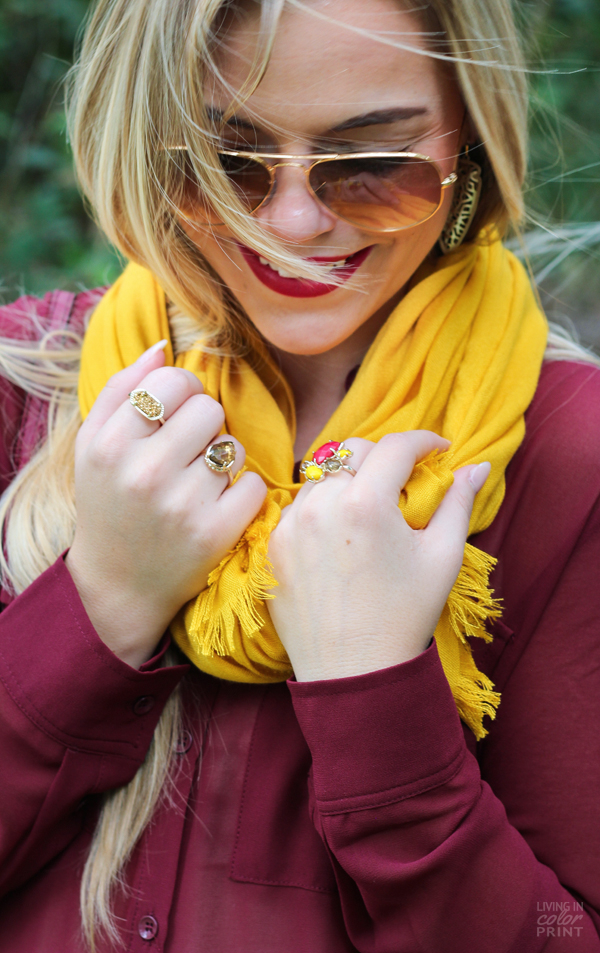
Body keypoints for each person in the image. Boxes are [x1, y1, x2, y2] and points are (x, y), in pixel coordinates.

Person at [0, 0, 598, 949]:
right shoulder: (20, 386)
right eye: (222, 163)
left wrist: (379, 699)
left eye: (371, 163)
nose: (294, 224)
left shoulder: (573, 466)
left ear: (472, 141)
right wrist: (101, 602)